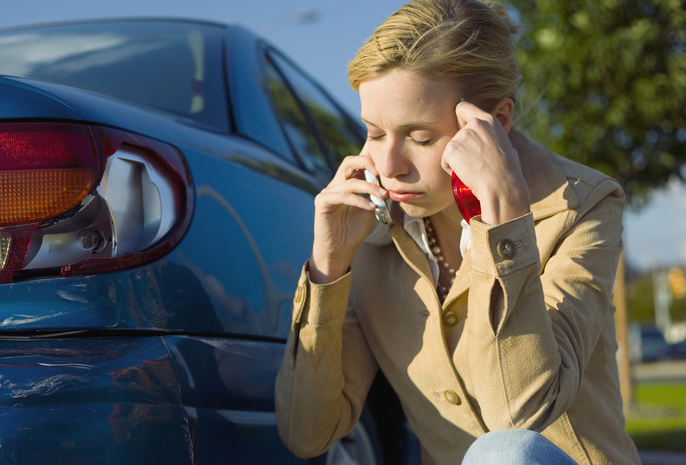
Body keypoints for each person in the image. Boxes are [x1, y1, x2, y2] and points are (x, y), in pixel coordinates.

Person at [274, 1, 642, 464]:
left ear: (494, 125)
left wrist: (504, 223)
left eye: (421, 138)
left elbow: (519, 414)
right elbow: (307, 434)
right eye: (373, 132)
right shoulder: (372, 235)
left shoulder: (580, 206)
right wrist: (327, 270)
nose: (390, 167)